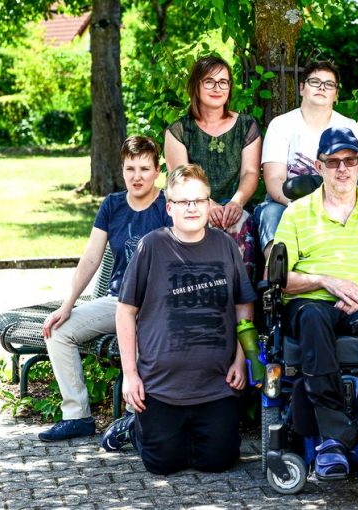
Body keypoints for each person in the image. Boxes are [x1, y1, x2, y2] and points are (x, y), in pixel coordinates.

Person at [274, 127, 358, 480]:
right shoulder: (296, 213)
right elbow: (278, 278)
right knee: (311, 319)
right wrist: (325, 280)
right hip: (310, 302)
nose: (342, 169)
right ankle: (335, 436)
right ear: (319, 167)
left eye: (350, 161)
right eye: (333, 162)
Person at [100, 164, 256, 475]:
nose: (192, 208)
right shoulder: (152, 246)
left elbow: (243, 304)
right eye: (184, 202)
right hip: (161, 387)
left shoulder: (225, 246)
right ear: (169, 207)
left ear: (209, 204)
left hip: (216, 385)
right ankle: (136, 427)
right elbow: (125, 311)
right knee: (162, 465)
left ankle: (195, 435)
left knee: (218, 462)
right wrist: (130, 375)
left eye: (199, 200)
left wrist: (241, 360)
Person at [38, 136, 172, 442]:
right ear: (121, 169)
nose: (137, 176)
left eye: (144, 168)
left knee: (143, 339)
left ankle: (134, 418)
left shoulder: (168, 206)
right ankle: (77, 415)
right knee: (59, 332)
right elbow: (90, 258)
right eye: (130, 168)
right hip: (117, 301)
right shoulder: (112, 205)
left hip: (156, 305)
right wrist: (67, 304)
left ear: (157, 170)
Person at [164, 55, 261, 282]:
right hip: (192, 204)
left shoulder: (246, 126)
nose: (217, 88)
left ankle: (242, 310)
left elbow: (250, 173)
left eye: (223, 82)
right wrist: (208, 205)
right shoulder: (179, 131)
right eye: (209, 81)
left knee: (242, 227)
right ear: (196, 86)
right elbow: (182, 180)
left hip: (235, 205)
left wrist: (236, 202)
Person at [259, 60, 358, 259]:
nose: (321, 88)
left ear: (336, 94)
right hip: (287, 201)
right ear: (301, 88)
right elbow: (274, 180)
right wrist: (296, 207)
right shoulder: (281, 125)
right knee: (271, 214)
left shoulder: (350, 127)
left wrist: (328, 208)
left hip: (339, 201)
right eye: (314, 82)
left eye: (329, 84)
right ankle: (275, 274)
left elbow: (356, 177)